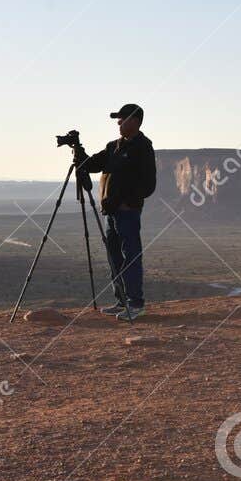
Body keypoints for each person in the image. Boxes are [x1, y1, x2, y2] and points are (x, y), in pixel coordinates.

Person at [76, 102, 157, 320]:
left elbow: (149, 184)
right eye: (118, 119)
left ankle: (136, 304)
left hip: (127, 212)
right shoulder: (114, 146)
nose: (119, 123)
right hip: (110, 212)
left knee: (131, 256)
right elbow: (91, 164)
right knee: (114, 257)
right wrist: (78, 149)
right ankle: (122, 300)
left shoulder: (143, 147)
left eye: (122, 119)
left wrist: (126, 202)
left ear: (136, 121)